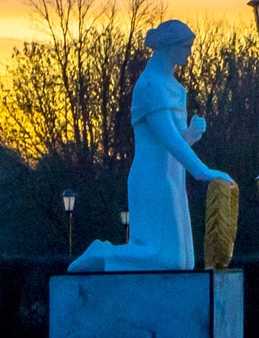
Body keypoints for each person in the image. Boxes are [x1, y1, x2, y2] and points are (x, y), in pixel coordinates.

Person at [66, 20, 237, 272]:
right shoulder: (149, 86)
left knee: (183, 262)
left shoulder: (176, 88)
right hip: (152, 179)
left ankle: (107, 256)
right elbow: (168, 138)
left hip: (172, 178)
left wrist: (189, 134)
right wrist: (202, 171)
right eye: (186, 46)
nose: (190, 52)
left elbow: (173, 140)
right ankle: (103, 254)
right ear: (170, 47)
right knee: (163, 258)